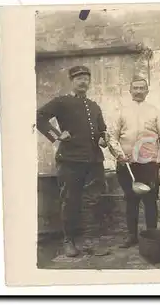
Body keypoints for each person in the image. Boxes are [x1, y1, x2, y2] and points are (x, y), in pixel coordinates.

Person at [36, 65, 110, 257]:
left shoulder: (94, 106)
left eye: (86, 78)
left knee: (92, 201)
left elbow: (102, 129)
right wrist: (57, 135)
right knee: (70, 201)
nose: (83, 81)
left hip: (93, 161)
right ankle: (69, 241)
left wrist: (104, 138)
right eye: (79, 78)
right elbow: (39, 117)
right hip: (70, 161)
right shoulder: (62, 102)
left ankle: (89, 241)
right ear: (71, 81)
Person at [107, 78, 160, 248]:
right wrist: (119, 155)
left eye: (142, 88)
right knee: (131, 199)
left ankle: (152, 235)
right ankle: (131, 236)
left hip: (149, 163)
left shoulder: (156, 112)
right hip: (127, 164)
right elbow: (112, 137)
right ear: (130, 90)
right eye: (135, 88)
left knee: (150, 200)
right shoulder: (121, 112)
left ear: (147, 91)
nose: (139, 91)